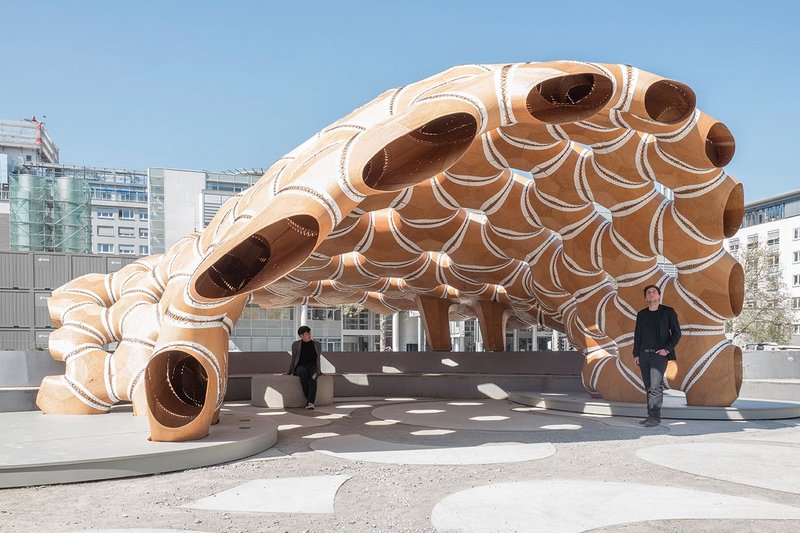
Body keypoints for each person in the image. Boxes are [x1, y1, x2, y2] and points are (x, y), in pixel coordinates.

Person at [632, 284, 681, 427]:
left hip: (659, 355)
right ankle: (650, 416)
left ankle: (655, 417)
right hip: (643, 355)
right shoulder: (641, 314)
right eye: (648, 292)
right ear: (645, 297)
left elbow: (677, 333)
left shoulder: (668, 312)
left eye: (654, 292)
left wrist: (666, 349)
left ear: (659, 296)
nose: (651, 294)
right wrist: (636, 354)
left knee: (655, 386)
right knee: (648, 386)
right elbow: (637, 335)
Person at [288, 326, 322, 410]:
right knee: (303, 374)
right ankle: (309, 400)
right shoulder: (296, 344)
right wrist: (289, 371)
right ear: (301, 336)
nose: (309, 335)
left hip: (313, 367)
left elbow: (318, 358)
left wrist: (319, 370)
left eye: (309, 333)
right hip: (300, 367)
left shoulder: (317, 344)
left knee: (313, 378)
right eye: (307, 334)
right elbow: (294, 358)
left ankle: (310, 402)